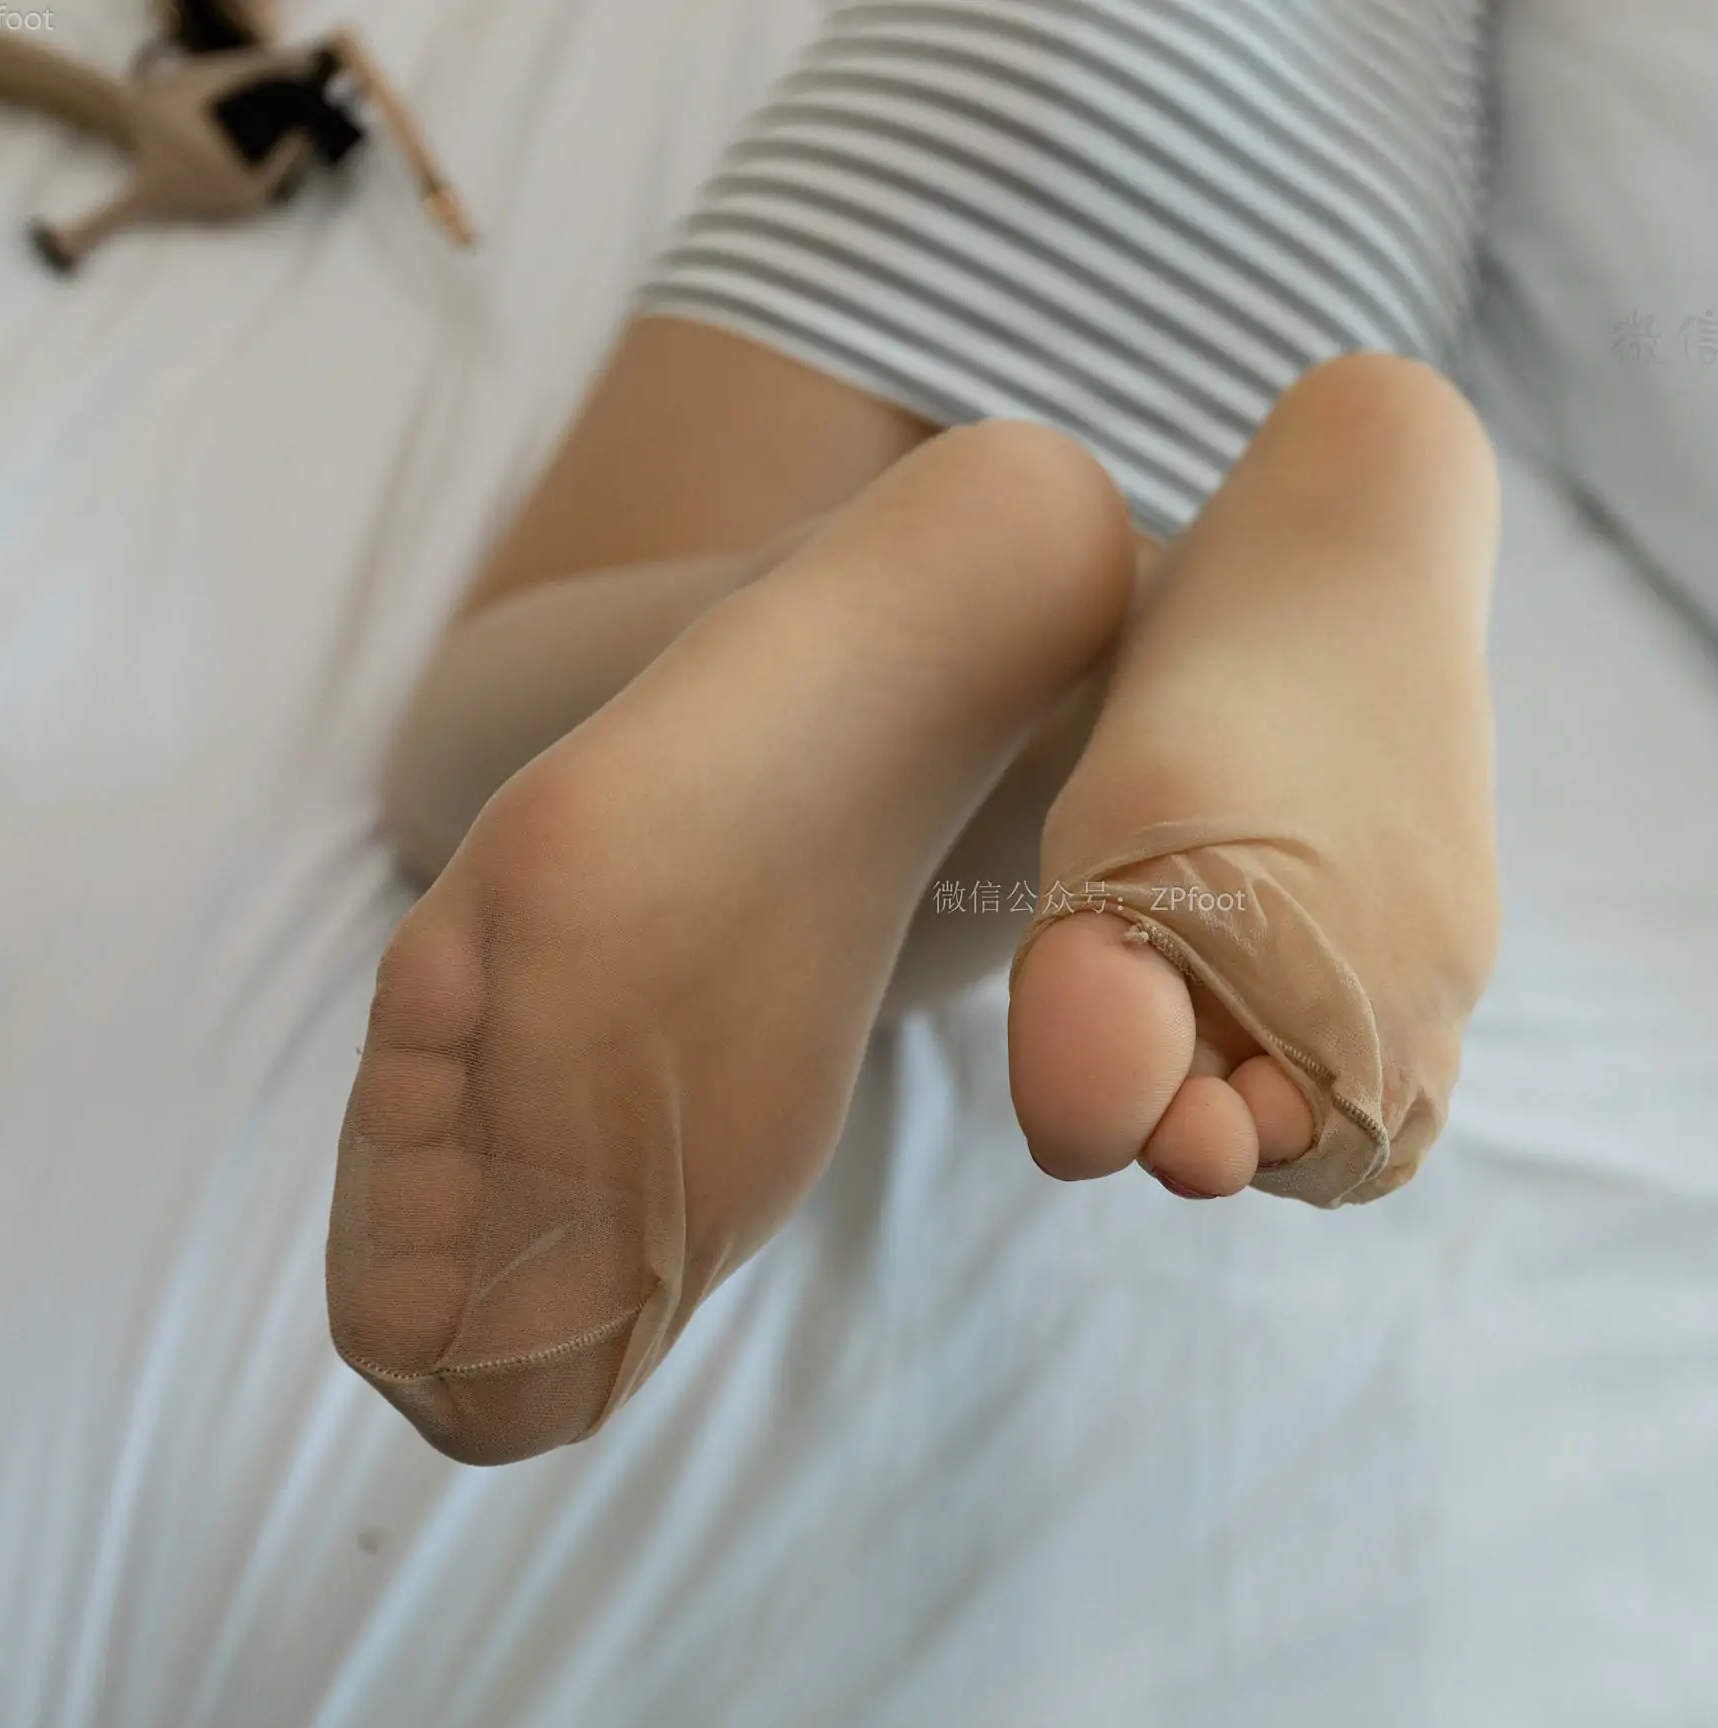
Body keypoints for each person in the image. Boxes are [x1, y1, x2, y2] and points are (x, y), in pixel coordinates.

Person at [326, 0, 1509, 1464]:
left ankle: (999, 561)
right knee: (1113, 755)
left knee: (480, 755)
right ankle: (1300, 541)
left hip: (997, 76)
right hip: (1336, 233)